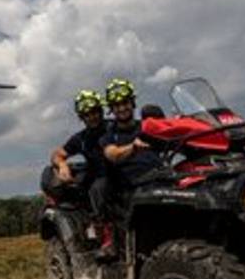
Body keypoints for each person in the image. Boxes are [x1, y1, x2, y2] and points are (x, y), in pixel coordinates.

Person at [50, 89, 113, 254]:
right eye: (87, 114)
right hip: (100, 179)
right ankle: (106, 236)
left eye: (94, 112)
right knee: (99, 188)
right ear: (81, 117)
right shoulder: (81, 138)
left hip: (123, 173)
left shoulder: (113, 127)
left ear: (101, 111)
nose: (92, 117)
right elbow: (58, 154)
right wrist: (62, 165)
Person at [100, 78, 165, 191]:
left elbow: (171, 138)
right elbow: (113, 155)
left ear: (132, 103)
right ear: (111, 109)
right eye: (116, 105)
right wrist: (133, 147)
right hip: (133, 189)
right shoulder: (108, 136)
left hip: (162, 179)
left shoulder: (147, 126)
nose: (122, 108)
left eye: (125, 103)